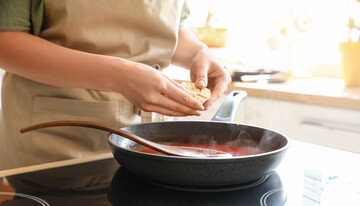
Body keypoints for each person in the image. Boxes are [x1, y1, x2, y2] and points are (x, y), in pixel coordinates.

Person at [0, 0, 231, 193]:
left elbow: (169, 29)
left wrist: (198, 53)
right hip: (59, 148)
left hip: (150, 146)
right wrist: (119, 75)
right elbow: (6, 40)